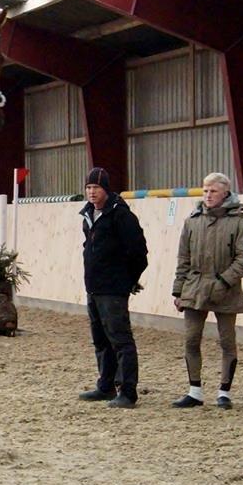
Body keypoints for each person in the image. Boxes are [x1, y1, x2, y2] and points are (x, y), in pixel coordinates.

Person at [171, 172, 243, 409]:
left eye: (213, 191)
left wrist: (224, 281)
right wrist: (178, 291)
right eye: (205, 191)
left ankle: (224, 392)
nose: (207, 195)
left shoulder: (240, 223)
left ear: (225, 193)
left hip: (226, 290)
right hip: (194, 288)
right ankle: (194, 391)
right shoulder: (192, 221)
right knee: (191, 339)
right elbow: (183, 258)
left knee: (227, 341)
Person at [78, 167, 148, 409]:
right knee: (100, 339)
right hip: (94, 287)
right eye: (88, 188)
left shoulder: (121, 216)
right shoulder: (88, 215)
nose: (91, 192)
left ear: (106, 189)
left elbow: (139, 252)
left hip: (113, 289)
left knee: (120, 340)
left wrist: (128, 280)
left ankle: (127, 391)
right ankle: (105, 384)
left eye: (96, 188)